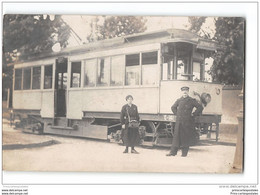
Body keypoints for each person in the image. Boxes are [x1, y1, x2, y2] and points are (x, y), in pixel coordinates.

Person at [166, 86, 203, 157]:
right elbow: (173, 107)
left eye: (186, 91)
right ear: (181, 92)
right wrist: (177, 114)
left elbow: (200, 107)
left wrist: (193, 114)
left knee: (185, 137)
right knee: (176, 137)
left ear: (188, 92)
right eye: (183, 91)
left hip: (187, 122)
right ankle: (173, 152)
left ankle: (184, 153)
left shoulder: (191, 100)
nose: (185, 93)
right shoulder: (179, 100)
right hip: (179, 122)